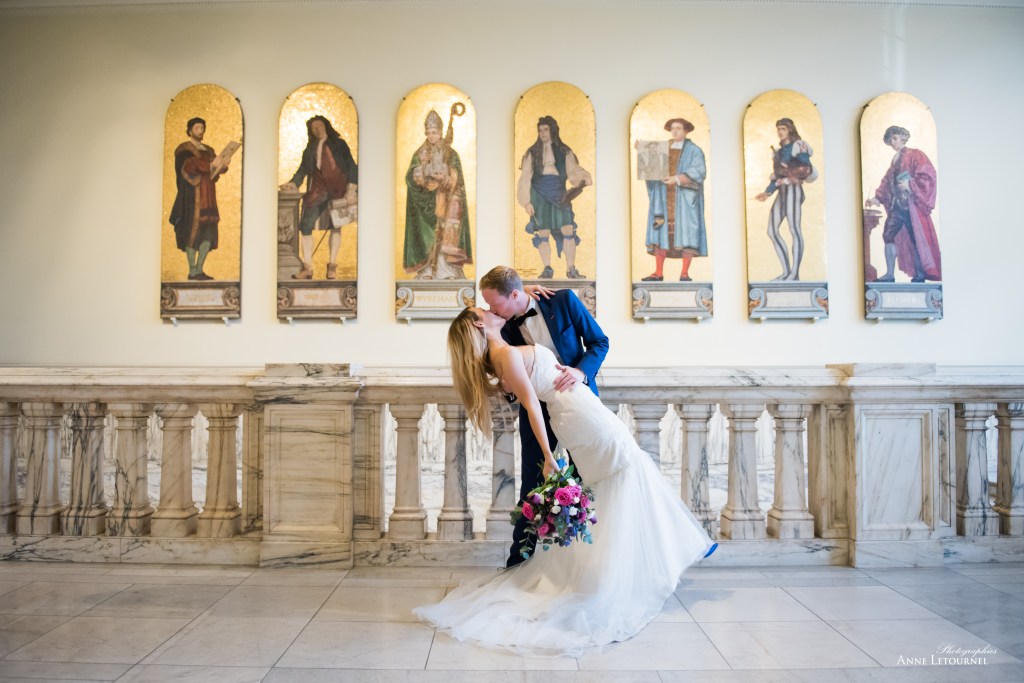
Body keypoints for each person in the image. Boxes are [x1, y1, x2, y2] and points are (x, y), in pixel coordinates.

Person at [413, 306, 715, 656]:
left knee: (623, 474)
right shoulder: (505, 353)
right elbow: (531, 406)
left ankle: (628, 569)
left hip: (577, 410)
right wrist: (549, 456)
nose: (490, 309)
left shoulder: (502, 353)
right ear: (479, 323)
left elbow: (530, 389)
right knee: (625, 470)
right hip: (577, 414)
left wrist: (531, 294)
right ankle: (626, 574)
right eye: (483, 309)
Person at [479, 266, 608, 567]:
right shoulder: (502, 326)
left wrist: (581, 372)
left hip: (580, 405)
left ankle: (584, 560)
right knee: (532, 483)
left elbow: (600, 342)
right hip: (536, 409)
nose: (490, 309)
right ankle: (519, 562)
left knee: (586, 477)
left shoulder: (563, 301)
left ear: (514, 294)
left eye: (494, 303)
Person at [279, 115, 358, 280]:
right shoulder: (310, 149)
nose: (318, 130)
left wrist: (351, 189)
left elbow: (351, 165)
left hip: (338, 188)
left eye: (320, 127)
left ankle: (332, 265)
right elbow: (302, 170)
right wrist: (292, 183)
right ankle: (307, 267)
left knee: (336, 226)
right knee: (305, 226)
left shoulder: (339, 144)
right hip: (318, 189)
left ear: (326, 126)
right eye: (314, 129)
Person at [517, 116, 593, 279]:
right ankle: (547, 268)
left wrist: (584, 177)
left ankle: (571, 268)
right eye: (540, 130)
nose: (542, 133)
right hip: (539, 193)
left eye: (545, 129)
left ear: (552, 130)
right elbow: (525, 177)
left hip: (559, 192)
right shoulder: (532, 153)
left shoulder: (564, 151)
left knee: (567, 228)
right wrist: (526, 202)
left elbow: (573, 171)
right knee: (543, 232)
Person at [865, 125, 941, 283]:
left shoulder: (915, 154)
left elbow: (928, 175)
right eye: (890, 139)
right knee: (888, 235)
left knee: (916, 239)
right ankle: (890, 274)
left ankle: (919, 275)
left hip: (912, 207)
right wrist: (877, 198)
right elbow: (887, 182)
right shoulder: (895, 160)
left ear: (903, 137)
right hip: (897, 207)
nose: (892, 142)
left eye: (894, 138)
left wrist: (911, 184)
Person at [403, 108, 472, 280]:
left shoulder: (451, 153)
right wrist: (423, 173)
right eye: (428, 133)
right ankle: (426, 270)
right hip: (425, 204)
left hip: (446, 201)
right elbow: (410, 176)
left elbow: (458, 178)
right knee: (428, 235)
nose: (431, 136)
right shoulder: (419, 154)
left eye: (434, 132)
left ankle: (446, 270)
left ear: (440, 133)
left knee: (444, 234)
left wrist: (448, 176)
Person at [641, 118, 708, 282]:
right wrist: (643, 154)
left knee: (687, 234)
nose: (675, 131)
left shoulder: (694, 150)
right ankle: (658, 272)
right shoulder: (661, 149)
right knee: (660, 230)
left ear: (686, 131)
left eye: (678, 128)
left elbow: (699, 171)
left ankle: (684, 273)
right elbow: (650, 169)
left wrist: (677, 179)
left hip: (684, 200)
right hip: (663, 198)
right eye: (673, 129)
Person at [754, 117, 816, 281]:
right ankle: (786, 271)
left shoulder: (798, 146)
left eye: (783, 129)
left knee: (794, 229)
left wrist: (788, 175)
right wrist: (767, 193)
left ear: (789, 129)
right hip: (781, 190)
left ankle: (795, 273)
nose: (780, 132)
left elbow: (806, 169)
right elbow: (777, 176)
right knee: (772, 230)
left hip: (793, 189)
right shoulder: (780, 151)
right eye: (778, 129)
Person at [170, 117, 227, 281]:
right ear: (189, 131)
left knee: (207, 232)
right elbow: (190, 165)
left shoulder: (208, 150)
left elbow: (217, 166)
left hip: (208, 195)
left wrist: (223, 164)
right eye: (197, 128)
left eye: (202, 128)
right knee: (191, 231)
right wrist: (211, 165)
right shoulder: (184, 149)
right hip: (192, 197)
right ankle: (192, 269)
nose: (200, 131)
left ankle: (199, 269)